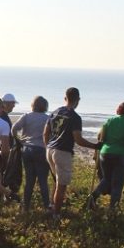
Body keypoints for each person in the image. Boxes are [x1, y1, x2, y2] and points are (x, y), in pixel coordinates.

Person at [44, 87, 100, 218]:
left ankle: (52, 208)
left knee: (57, 181)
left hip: (50, 149)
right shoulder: (74, 117)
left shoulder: (55, 112)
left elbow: (45, 132)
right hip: (62, 151)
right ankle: (56, 214)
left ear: (65, 98)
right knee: (61, 184)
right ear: (78, 100)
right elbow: (78, 139)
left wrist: (47, 146)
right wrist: (95, 146)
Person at [87, 102, 124, 209]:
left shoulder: (109, 121)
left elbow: (100, 137)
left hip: (105, 153)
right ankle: (113, 211)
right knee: (117, 184)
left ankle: (93, 196)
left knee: (107, 179)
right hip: (121, 155)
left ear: (118, 111)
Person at [12, 96, 51, 211]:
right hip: (41, 150)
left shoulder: (26, 116)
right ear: (45, 106)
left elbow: (14, 129)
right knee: (43, 180)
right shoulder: (48, 118)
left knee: (29, 180)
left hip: (27, 149)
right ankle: (46, 207)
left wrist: (19, 140)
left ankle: (25, 207)